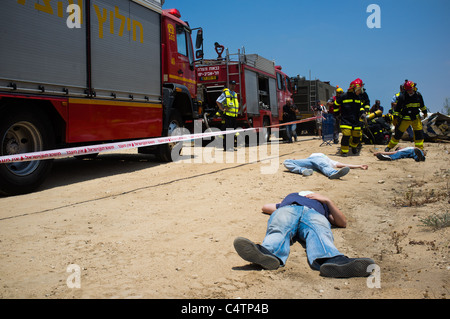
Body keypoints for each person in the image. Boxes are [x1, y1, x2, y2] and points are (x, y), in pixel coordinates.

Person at [233, 191, 376, 278]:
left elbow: (342, 222)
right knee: (279, 227)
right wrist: (282, 204)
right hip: (289, 209)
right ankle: (269, 253)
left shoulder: (323, 205)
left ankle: (332, 261)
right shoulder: (289, 200)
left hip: (314, 214)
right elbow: (265, 207)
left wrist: (327, 201)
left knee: (320, 232)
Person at [385, 80, 427, 151]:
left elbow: (422, 106)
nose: (410, 91)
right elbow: (397, 109)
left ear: (413, 88)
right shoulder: (402, 97)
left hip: (416, 118)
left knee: (419, 134)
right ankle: (389, 147)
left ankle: (419, 149)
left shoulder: (418, 96)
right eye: (408, 90)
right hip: (405, 119)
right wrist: (395, 118)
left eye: (411, 89)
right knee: (398, 134)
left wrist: (425, 112)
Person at [333, 79, 367, 156]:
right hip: (346, 120)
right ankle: (344, 151)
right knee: (346, 136)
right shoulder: (344, 96)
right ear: (353, 88)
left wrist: (363, 113)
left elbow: (360, 107)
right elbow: (335, 104)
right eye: (359, 89)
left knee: (357, 137)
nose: (360, 91)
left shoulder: (358, 97)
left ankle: (353, 146)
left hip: (356, 120)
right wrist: (337, 114)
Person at [283, 153, 368, 179]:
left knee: (322, 165)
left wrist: (359, 166)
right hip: (309, 161)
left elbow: (342, 165)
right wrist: (295, 161)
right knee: (287, 162)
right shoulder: (313, 157)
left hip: (319, 160)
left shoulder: (329, 161)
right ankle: (302, 170)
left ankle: (332, 173)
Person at [216, 81, 240, 151]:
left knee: (232, 133)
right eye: (232, 85)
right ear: (229, 85)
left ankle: (231, 147)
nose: (233, 86)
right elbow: (218, 101)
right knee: (228, 133)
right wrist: (222, 109)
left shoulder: (235, 94)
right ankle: (227, 147)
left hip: (234, 116)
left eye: (234, 85)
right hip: (227, 116)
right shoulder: (226, 93)